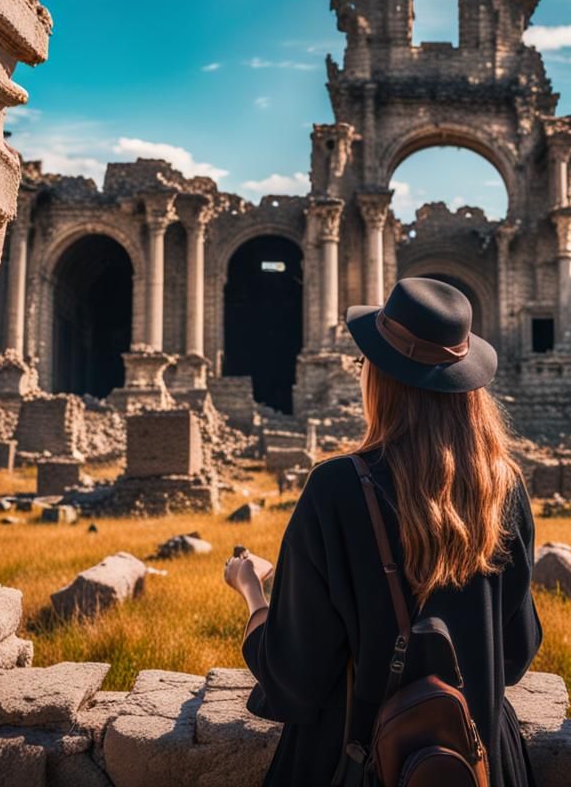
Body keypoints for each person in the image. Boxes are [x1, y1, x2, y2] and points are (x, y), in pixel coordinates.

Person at [224, 277, 542, 786]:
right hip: (477, 758)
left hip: (357, 760)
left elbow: (294, 679)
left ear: (380, 379)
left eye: (363, 362)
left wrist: (252, 593)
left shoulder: (335, 488)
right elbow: (516, 651)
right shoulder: (504, 487)